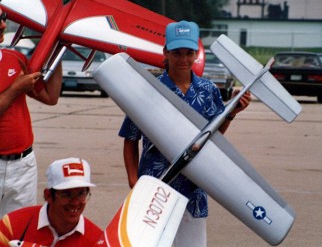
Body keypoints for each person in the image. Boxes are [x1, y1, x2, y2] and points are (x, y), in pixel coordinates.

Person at [118, 20, 251, 246]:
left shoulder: (208, 91)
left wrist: (231, 113)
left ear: (196, 54)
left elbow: (214, 138)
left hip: (194, 188)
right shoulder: (148, 89)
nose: (184, 59)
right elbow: (130, 139)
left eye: (189, 53)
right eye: (177, 53)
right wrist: (133, 179)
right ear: (165, 53)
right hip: (154, 187)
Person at [0, 6, 62, 216]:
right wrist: (17, 87)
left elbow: (50, 97)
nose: (3, 24)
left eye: (3, 18)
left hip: (23, 164)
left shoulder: (15, 58)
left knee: (18, 231)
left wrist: (57, 47)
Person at [0, 157, 102, 246]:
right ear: (48, 195)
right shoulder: (13, 225)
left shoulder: (97, 241)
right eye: (66, 194)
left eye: (81, 194)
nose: (75, 202)